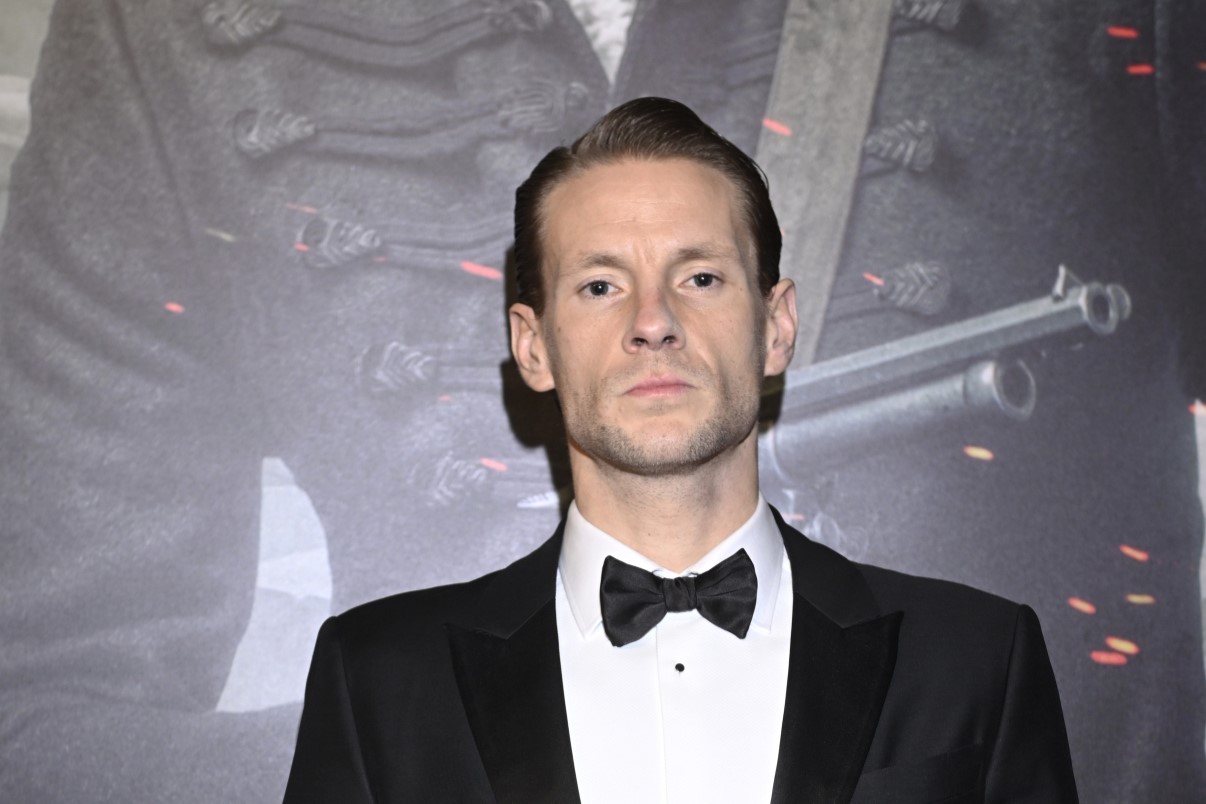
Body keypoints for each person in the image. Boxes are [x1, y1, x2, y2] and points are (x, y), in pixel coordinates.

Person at [283, 97, 1078, 803]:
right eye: (600, 286)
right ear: (533, 346)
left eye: (699, 278)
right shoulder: (378, 678)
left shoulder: (976, 659)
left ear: (776, 326)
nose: (653, 322)